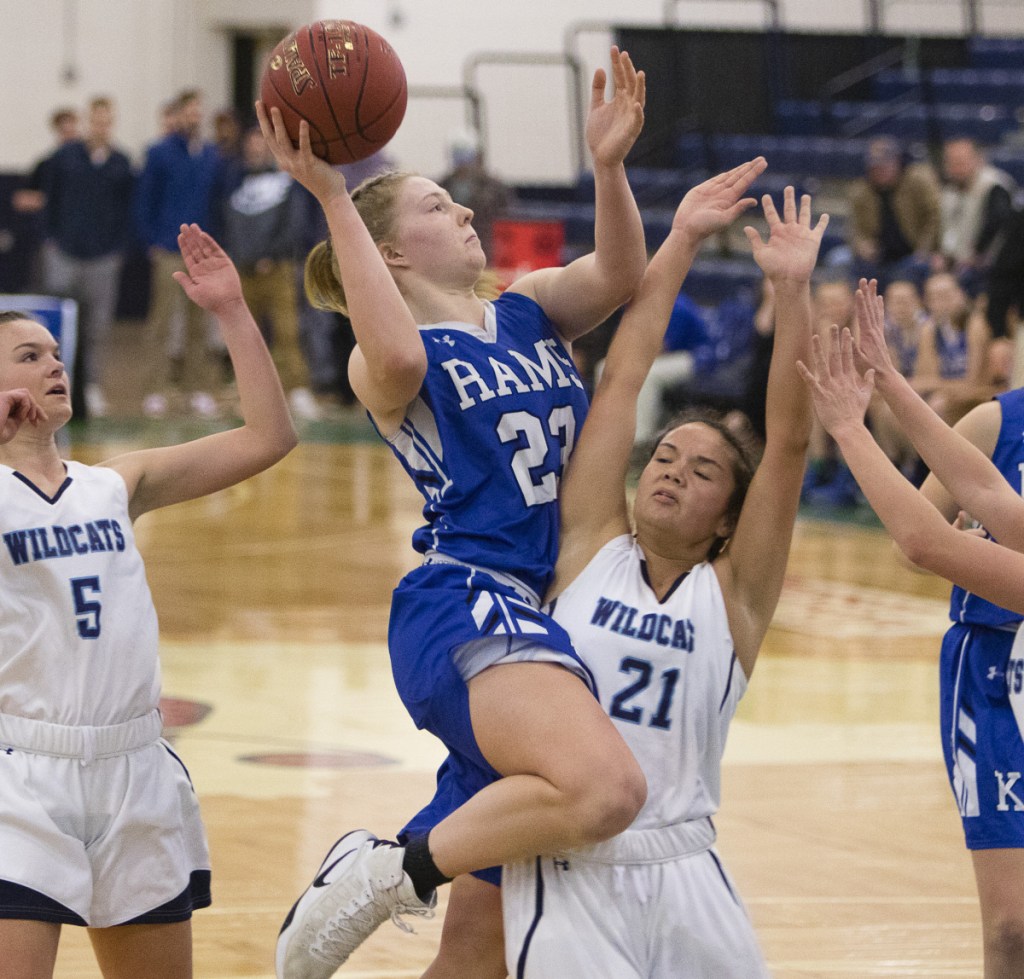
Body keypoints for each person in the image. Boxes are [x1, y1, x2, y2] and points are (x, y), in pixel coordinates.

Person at [259, 46, 650, 979]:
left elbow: (621, 274)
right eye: (440, 205)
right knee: (607, 789)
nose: (468, 210)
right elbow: (394, 362)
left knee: (480, 955)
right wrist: (334, 196)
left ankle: (414, 876)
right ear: (391, 248)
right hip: (469, 602)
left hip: (550, 611)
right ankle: (388, 869)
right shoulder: (381, 357)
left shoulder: (525, 308)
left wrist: (607, 167)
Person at [424, 173, 824, 978]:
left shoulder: (736, 596)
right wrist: (679, 240)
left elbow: (786, 442)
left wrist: (791, 293)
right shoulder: (589, 546)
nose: (673, 472)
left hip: (686, 865)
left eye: (704, 471)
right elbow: (624, 375)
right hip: (572, 862)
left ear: (726, 518)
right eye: (665, 456)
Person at [0, 224, 296, 978]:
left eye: (57, 355)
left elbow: (268, 434)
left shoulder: (114, 483)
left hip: (135, 768)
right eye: (28, 357)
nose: (53, 367)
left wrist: (230, 309)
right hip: (22, 775)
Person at [797, 279, 1024, 978]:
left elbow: (932, 543)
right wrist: (890, 382)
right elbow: (984, 495)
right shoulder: (999, 420)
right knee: (1013, 927)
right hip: (993, 673)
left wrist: (849, 430)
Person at [40, 96, 135, 420]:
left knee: (98, 326)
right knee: (58, 326)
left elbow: (128, 210)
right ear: (87, 121)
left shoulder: (121, 162)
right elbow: (48, 199)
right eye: (96, 120)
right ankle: (53, 387)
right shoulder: (65, 157)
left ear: (112, 123)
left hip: (104, 258)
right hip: (64, 253)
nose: (101, 126)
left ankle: (90, 387)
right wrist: (50, 241)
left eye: (106, 121)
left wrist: (118, 248)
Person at [135, 89, 228, 418]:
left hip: (201, 252)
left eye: (198, 111)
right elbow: (145, 199)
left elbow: (217, 203)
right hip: (168, 248)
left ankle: (198, 389)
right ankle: (156, 389)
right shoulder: (159, 153)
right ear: (177, 115)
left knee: (199, 324)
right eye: (188, 111)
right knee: (161, 321)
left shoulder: (210, 155)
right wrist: (153, 240)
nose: (194, 116)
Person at [220, 126, 317, 420]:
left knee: (287, 331)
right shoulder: (233, 179)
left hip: (278, 267)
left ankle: (297, 390)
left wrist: (271, 255)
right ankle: (247, 392)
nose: (255, 148)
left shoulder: (286, 181)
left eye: (260, 142)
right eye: (250, 142)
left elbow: (295, 223)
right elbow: (228, 223)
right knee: (246, 334)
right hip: (243, 268)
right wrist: (240, 257)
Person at [846, 137, 940, 289]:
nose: (879, 171)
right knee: (846, 264)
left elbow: (934, 217)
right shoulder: (861, 191)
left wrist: (924, 250)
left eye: (884, 165)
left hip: (914, 253)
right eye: (875, 167)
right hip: (879, 257)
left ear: (896, 162)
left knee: (909, 272)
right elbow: (855, 228)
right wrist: (862, 245)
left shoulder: (917, 180)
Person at [910, 271, 1002, 428]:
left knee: (935, 406)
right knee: (898, 409)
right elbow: (926, 376)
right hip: (950, 394)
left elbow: (975, 382)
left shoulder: (975, 324)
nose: (941, 303)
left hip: (983, 394)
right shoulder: (930, 330)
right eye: (934, 298)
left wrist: (934, 385)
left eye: (946, 295)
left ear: (961, 294)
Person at [938, 137, 1016, 296]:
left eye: (961, 162)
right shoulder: (950, 190)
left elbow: (998, 222)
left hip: (989, 263)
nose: (955, 168)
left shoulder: (994, 186)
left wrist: (976, 254)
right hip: (954, 259)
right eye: (951, 162)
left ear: (978, 160)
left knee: (963, 281)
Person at [438, 129, 511, 259]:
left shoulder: (493, 187)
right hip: (451, 253)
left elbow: (508, 219)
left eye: (465, 153)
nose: (462, 161)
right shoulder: (441, 187)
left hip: (486, 249)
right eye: (457, 153)